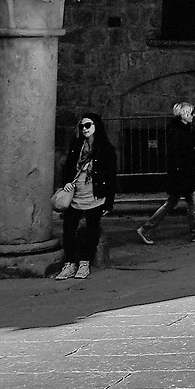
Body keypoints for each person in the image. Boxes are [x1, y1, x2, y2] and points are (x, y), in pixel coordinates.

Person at [136, 101, 195, 245]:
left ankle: (147, 228)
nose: (193, 116)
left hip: (183, 172)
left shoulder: (182, 129)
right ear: (183, 114)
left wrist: (194, 153)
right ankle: (194, 232)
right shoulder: (177, 131)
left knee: (179, 202)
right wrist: (193, 152)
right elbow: (176, 152)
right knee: (183, 202)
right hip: (181, 173)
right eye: (191, 113)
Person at [54, 113, 115, 279]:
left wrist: (109, 202)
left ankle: (84, 263)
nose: (84, 129)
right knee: (68, 229)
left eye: (88, 125)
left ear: (96, 126)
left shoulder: (105, 148)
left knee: (91, 230)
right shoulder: (76, 144)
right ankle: (70, 263)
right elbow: (68, 167)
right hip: (75, 195)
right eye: (82, 126)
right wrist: (66, 182)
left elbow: (111, 176)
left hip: (95, 196)